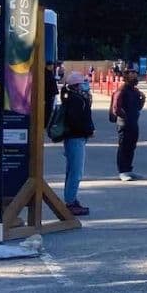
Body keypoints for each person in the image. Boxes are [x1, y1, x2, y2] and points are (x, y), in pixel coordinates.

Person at [57, 71, 94, 217]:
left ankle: (71, 198)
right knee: (76, 172)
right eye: (83, 83)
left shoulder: (73, 98)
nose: (86, 85)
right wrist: (88, 130)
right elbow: (76, 122)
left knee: (72, 170)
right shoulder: (76, 100)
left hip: (74, 138)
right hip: (76, 138)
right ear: (76, 85)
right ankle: (70, 201)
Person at [111, 68, 146, 181]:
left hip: (134, 122)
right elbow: (116, 108)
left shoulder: (134, 91)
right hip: (124, 123)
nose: (135, 77)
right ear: (126, 77)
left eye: (135, 74)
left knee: (132, 146)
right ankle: (122, 171)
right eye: (132, 75)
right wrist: (125, 116)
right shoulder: (122, 90)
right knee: (124, 146)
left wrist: (142, 99)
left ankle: (129, 170)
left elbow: (138, 107)